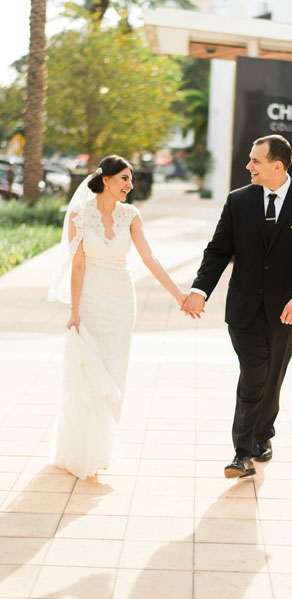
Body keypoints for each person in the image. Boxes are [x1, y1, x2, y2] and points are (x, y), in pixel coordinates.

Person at [181, 135, 292, 478]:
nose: (248, 166)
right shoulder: (238, 202)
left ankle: (263, 434)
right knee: (254, 374)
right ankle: (242, 453)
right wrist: (200, 289)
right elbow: (218, 250)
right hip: (244, 310)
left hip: (287, 312)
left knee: (272, 377)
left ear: (277, 166)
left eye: (255, 161)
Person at [48, 155, 186, 480]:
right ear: (106, 180)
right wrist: (74, 310)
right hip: (92, 301)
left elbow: (149, 257)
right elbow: (78, 265)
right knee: (89, 373)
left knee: (113, 373)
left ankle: (102, 448)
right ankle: (83, 449)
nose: (130, 185)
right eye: (124, 178)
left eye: (131, 178)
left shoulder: (131, 216)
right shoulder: (79, 217)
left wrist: (178, 294)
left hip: (122, 303)